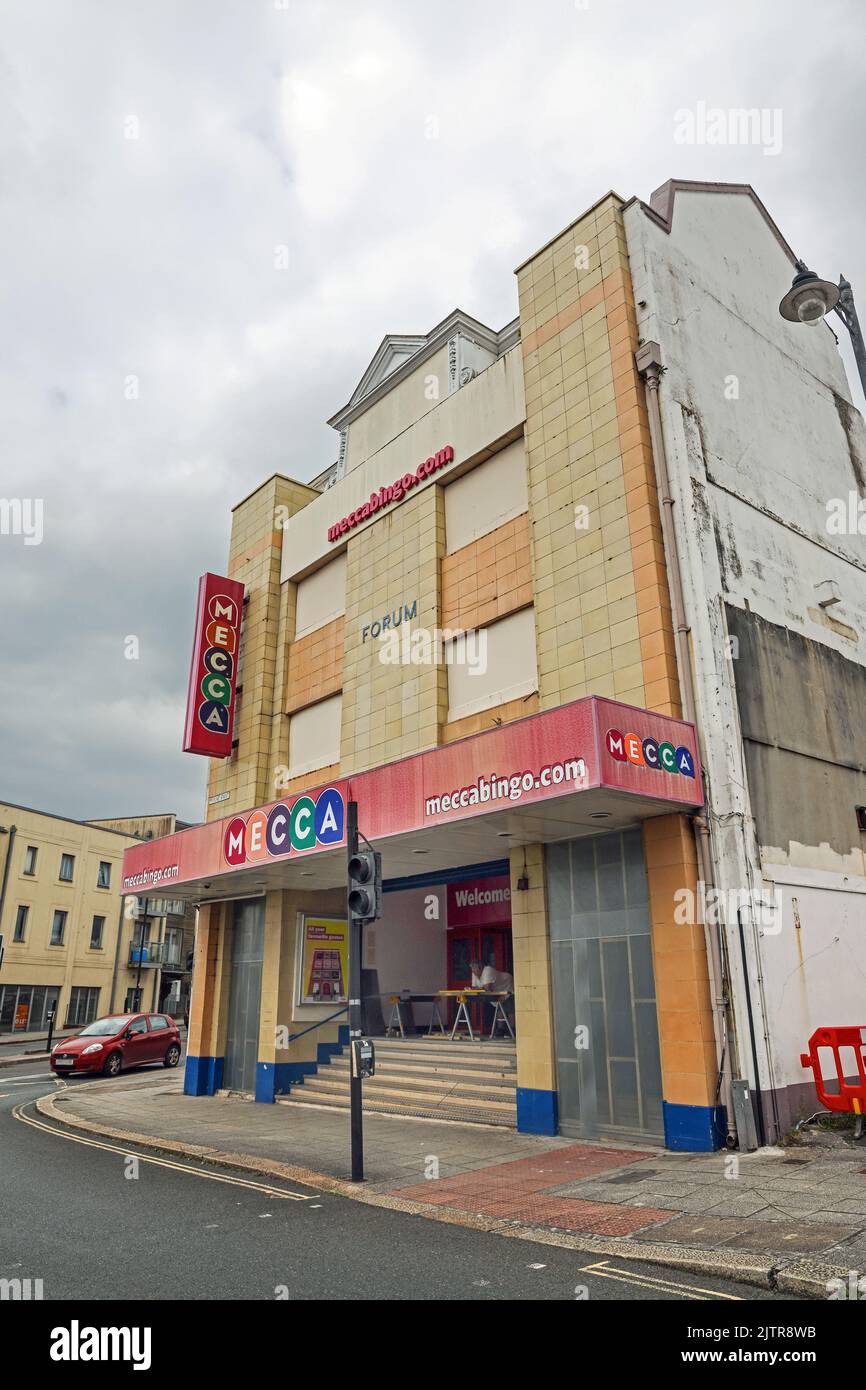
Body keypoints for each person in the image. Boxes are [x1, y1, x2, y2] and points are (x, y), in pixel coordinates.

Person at [468, 958, 515, 1037]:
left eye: (474, 968)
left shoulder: (488, 970)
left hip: (507, 985)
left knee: (509, 1008)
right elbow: (474, 988)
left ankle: (512, 1030)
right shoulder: (474, 973)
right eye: (471, 968)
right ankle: (501, 1030)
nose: (472, 971)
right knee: (499, 1008)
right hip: (496, 989)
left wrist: (477, 989)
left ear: (480, 967)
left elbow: (487, 988)